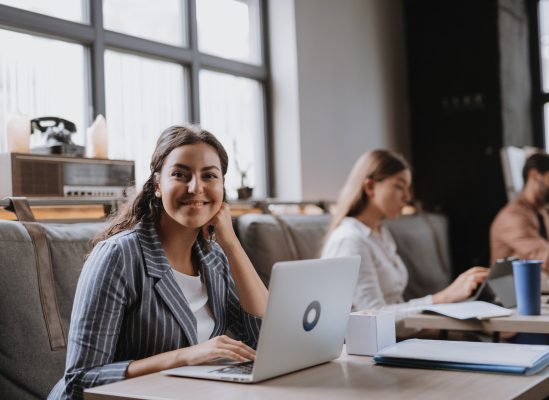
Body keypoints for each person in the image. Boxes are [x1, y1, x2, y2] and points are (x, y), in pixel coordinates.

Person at [49, 125, 268, 400]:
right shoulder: (117, 256)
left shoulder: (214, 257)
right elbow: (79, 380)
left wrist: (232, 245)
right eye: (180, 174)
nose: (195, 188)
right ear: (157, 185)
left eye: (209, 175)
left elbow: (266, 342)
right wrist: (184, 357)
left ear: (222, 186)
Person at [321, 149, 488, 336]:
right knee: (469, 335)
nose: (407, 197)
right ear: (370, 187)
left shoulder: (382, 234)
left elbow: (394, 308)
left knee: (477, 327)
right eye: (399, 186)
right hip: (368, 346)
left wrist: (445, 304)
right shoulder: (351, 240)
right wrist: (442, 298)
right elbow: (372, 318)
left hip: (391, 336)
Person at [490, 153, 549, 269]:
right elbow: (544, 256)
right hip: (511, 287)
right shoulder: (511, 217)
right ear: (534, 176)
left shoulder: (541, 213)